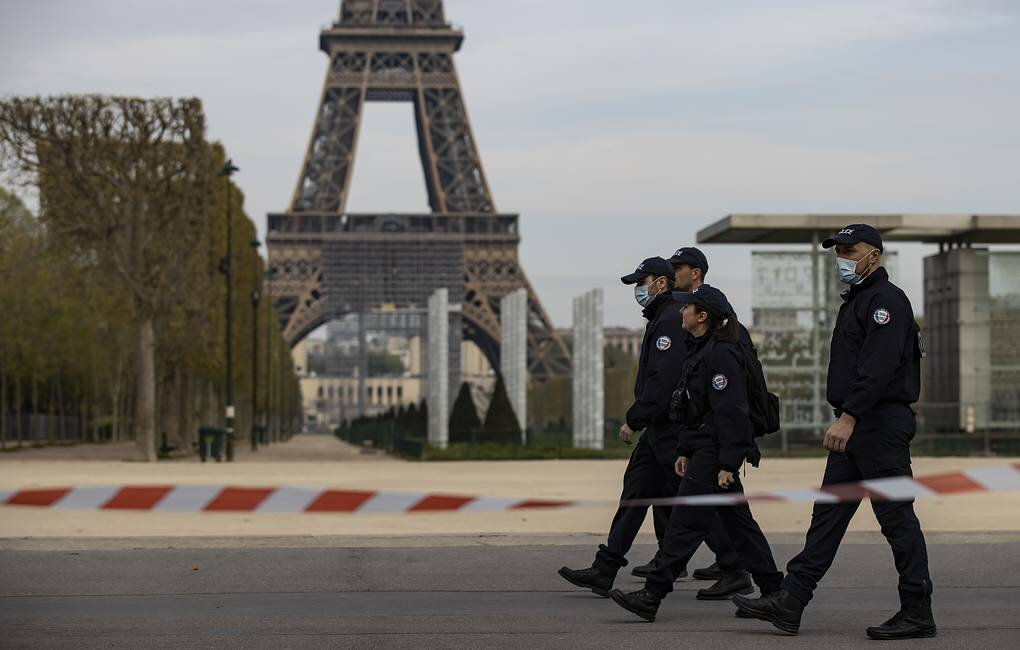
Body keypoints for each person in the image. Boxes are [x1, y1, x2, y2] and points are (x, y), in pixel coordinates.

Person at [733, 224, 935, 639]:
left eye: (849, 250)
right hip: (858, 424)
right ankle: (791, 601)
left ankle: (917, 610)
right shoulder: (859, 300)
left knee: (896, 520)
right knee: (827, 517)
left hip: (876, 425)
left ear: (874, 255)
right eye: (838, 250)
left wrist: (850, 416)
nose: (841, 257)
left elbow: (877, 368)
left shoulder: (885, 302)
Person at [609, 284, 783, 622]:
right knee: (739, 525)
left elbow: (731, 411)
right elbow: (692, 409)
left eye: (687, 308)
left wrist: (728, 463)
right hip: (706, 449)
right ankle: (774, 590)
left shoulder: (720, 354)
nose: (681, 312)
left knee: (684, 524)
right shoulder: (701, 350)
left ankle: (653, 594)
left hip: (716, 453)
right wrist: (686, 449)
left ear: (702, 317)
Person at [558, 257, 701, 596]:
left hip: (668, 428)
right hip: (658, 432)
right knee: (635, 495)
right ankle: (605, 569)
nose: (639, 289)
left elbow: (663, 380)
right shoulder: (661, 317)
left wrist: (635, 418)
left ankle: (745, 568)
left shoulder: (668, 320)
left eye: (643, 281)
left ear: (661, 283)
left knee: (702, 503)